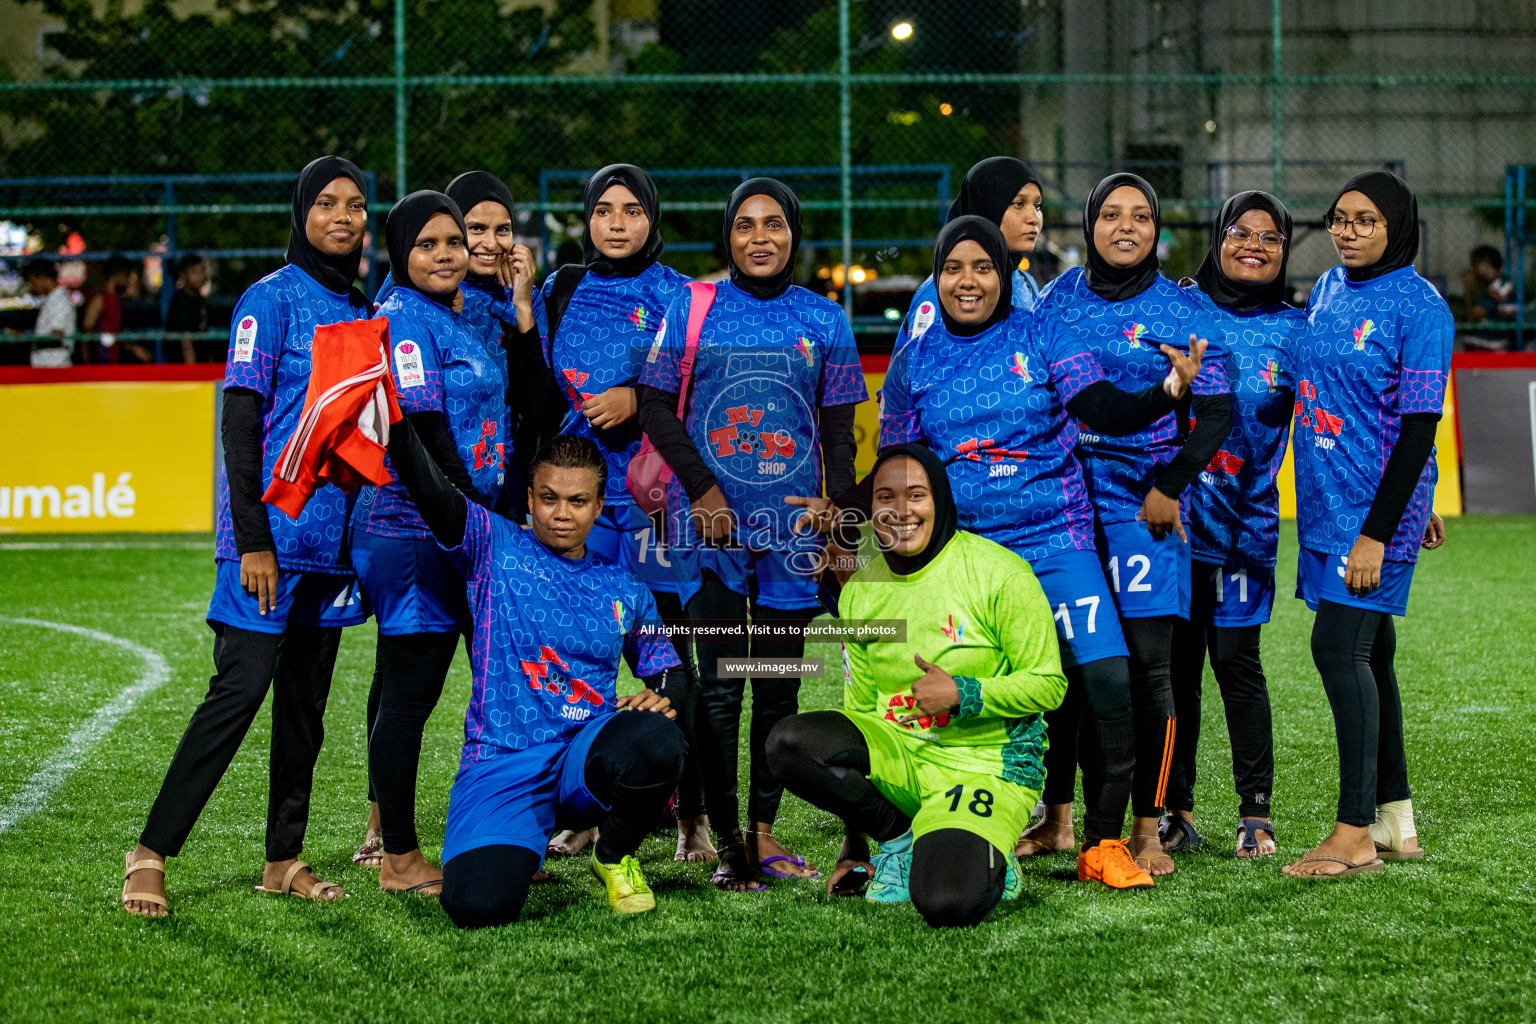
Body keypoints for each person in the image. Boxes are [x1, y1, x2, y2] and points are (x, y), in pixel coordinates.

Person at [863, 215, 1210, 887]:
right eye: (954, 268)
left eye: (983, 268)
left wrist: (1168, 391)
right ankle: (923, 834)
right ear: (937, 278)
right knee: (950, 695)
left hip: (1057, 542)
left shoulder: (1042, 331)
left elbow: (1103, 407)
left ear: (1006, 275)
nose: (969, 281)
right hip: (970, 558)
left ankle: (1104, 845)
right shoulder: (915, 359)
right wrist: (845, 515)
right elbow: (900, 465)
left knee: (1107, 679)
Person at [120, 156, 373, 917]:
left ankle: (282, 859)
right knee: (240, 690)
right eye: (325, 202)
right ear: (300, 213)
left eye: (356, 205)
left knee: (305, 706)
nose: (341, 216)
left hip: (330, 552)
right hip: (266, 548)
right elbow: (237, 425)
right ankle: (151, 850)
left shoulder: (364, 310)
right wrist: (254, 539)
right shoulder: (268, 301)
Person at [636, 177, 867, 890]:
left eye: (774, 224)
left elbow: (839, 436)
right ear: (727, 235)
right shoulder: (692, 306)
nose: (759, 237)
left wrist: (843, 530)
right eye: (745, 224)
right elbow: (652, 404)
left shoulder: (824, 318)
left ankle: (763, 837)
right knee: (717, 691)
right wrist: (704, 491)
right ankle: (728, 841)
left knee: (775, 691)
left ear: (795, 234)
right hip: (708, 531)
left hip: (792, 536)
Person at [376, 420, 686, 925]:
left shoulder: (625, 588)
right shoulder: (492, 544)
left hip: (585, 761)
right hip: (503, 762)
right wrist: (392, 418)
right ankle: (519, 838)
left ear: (599, 505)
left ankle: (612, 855)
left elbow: (669, 672)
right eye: (548, 498)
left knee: (655, 739)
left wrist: (662, 699)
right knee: (477, 907)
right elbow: (430, 488)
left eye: (577, 502)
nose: (561, 514)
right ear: (529, 497)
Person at [766, 444, 1067, 926]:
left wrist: (964, 694)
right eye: (885, 497)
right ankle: (900, 840)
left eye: (916, 495)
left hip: (983, 768)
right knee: (790, 743)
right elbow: (859, 714)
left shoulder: (1000, 572)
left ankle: (987, 854)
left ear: (940, 501)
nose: (901, 511)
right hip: (903, 758)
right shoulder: (862, 590)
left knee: (947, 902)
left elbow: (1049, 685)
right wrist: (856, 840)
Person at [1030, 172, 1233, 878]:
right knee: (1067, 669)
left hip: (1142, 512)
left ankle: (1148, 828)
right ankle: (1057, 819)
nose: (1125, 226)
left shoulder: (1182, 309)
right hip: (1064, 512)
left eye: (1140, 215)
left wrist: (1171, 486)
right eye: (1111, 214)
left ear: (1157, 229)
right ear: (1089, 225)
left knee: (1149, 671)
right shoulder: (1056, 302)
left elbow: (1217, 411)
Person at [354, 171, 541, 869]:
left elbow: (530, 403)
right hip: (417, 531)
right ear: (400, 250)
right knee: (410, 692)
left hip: (466, 526)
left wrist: (521, 312)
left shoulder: (465, 313)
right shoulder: (402, 318)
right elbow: (425, 435)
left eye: (454, 242)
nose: (446, 253)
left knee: (481, 684)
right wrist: (479, 526)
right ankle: (398, 856)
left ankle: (492, 825)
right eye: (428, 242)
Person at [532, 164, 708, 864]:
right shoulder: (561, 288)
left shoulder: (677, 295)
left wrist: (639, 396)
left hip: (653, 502)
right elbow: (539, 386)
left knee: (672, 656)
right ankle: (588, 806)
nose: (615, 222)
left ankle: (692, 816)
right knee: (583, 656)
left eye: (631, 210)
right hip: (583, 501)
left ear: (651, 218)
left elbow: (699, 385)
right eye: (603, 209)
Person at [1282, 170, 1452, 880]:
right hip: (1327, 506)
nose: (1348, 231)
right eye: (1339, 219)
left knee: (1337, 647)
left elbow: (1418, 429)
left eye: (1365, 220)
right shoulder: (1327, 288)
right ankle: (1394, 822)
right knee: (1371, 655)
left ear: (1398, 227)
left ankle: (1353, 833)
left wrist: (1385, 528)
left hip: (1369, 516)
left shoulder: (1422, 307)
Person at [1159, 192, 1305, 859]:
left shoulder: (1297, 332)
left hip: (1247, 531)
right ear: (1217, 239)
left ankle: (1256, 813)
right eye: (1240, 232)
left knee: (1238, 666)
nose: (1254, 245)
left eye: (1270, 237)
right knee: (1175, 671)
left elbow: (1345, 422)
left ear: (1285, 250)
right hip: (1176, 529)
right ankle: (1172, 809)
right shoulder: (1178, 309)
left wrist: (1415, 499)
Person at [893, 157, 1046, 354]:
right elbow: (917, 377)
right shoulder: (945, 291)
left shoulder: (1026, 282)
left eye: (1038, 206)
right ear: (987, 206)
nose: (1033, 218)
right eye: (1018, 204)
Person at [1457, 245, 1518, 352]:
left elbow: (1475, 315)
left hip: (1495, 340)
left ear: (1485, 265)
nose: (1473, 270)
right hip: (1494, 335)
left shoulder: (1499, 286)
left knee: (1456, 344)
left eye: (1475, 265)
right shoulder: (1499, 284)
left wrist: (1468, 289)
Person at [21, 258, 75, 368]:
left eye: (32, 282)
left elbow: (56, 333)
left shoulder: (59, 300)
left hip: (54, 364)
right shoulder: (52, 299)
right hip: (46, 363)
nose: (32, 287)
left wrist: (25, 336)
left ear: (41, 277)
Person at [81, 254, 133, 364]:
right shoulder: (100, 299)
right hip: (102, 361)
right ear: (118, 275)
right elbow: (86, 331)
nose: (128, 281)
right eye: (127, 276)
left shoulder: (115, 300)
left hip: (113, 360)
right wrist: (87, 363)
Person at [165, 254, 211, 364]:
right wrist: (192, 370)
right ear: (183, 275)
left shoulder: (200, 300)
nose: (200, 276)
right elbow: (185, 339)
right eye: (195, 272)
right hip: (183, 365)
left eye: (202, 271)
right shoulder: (180, 302)